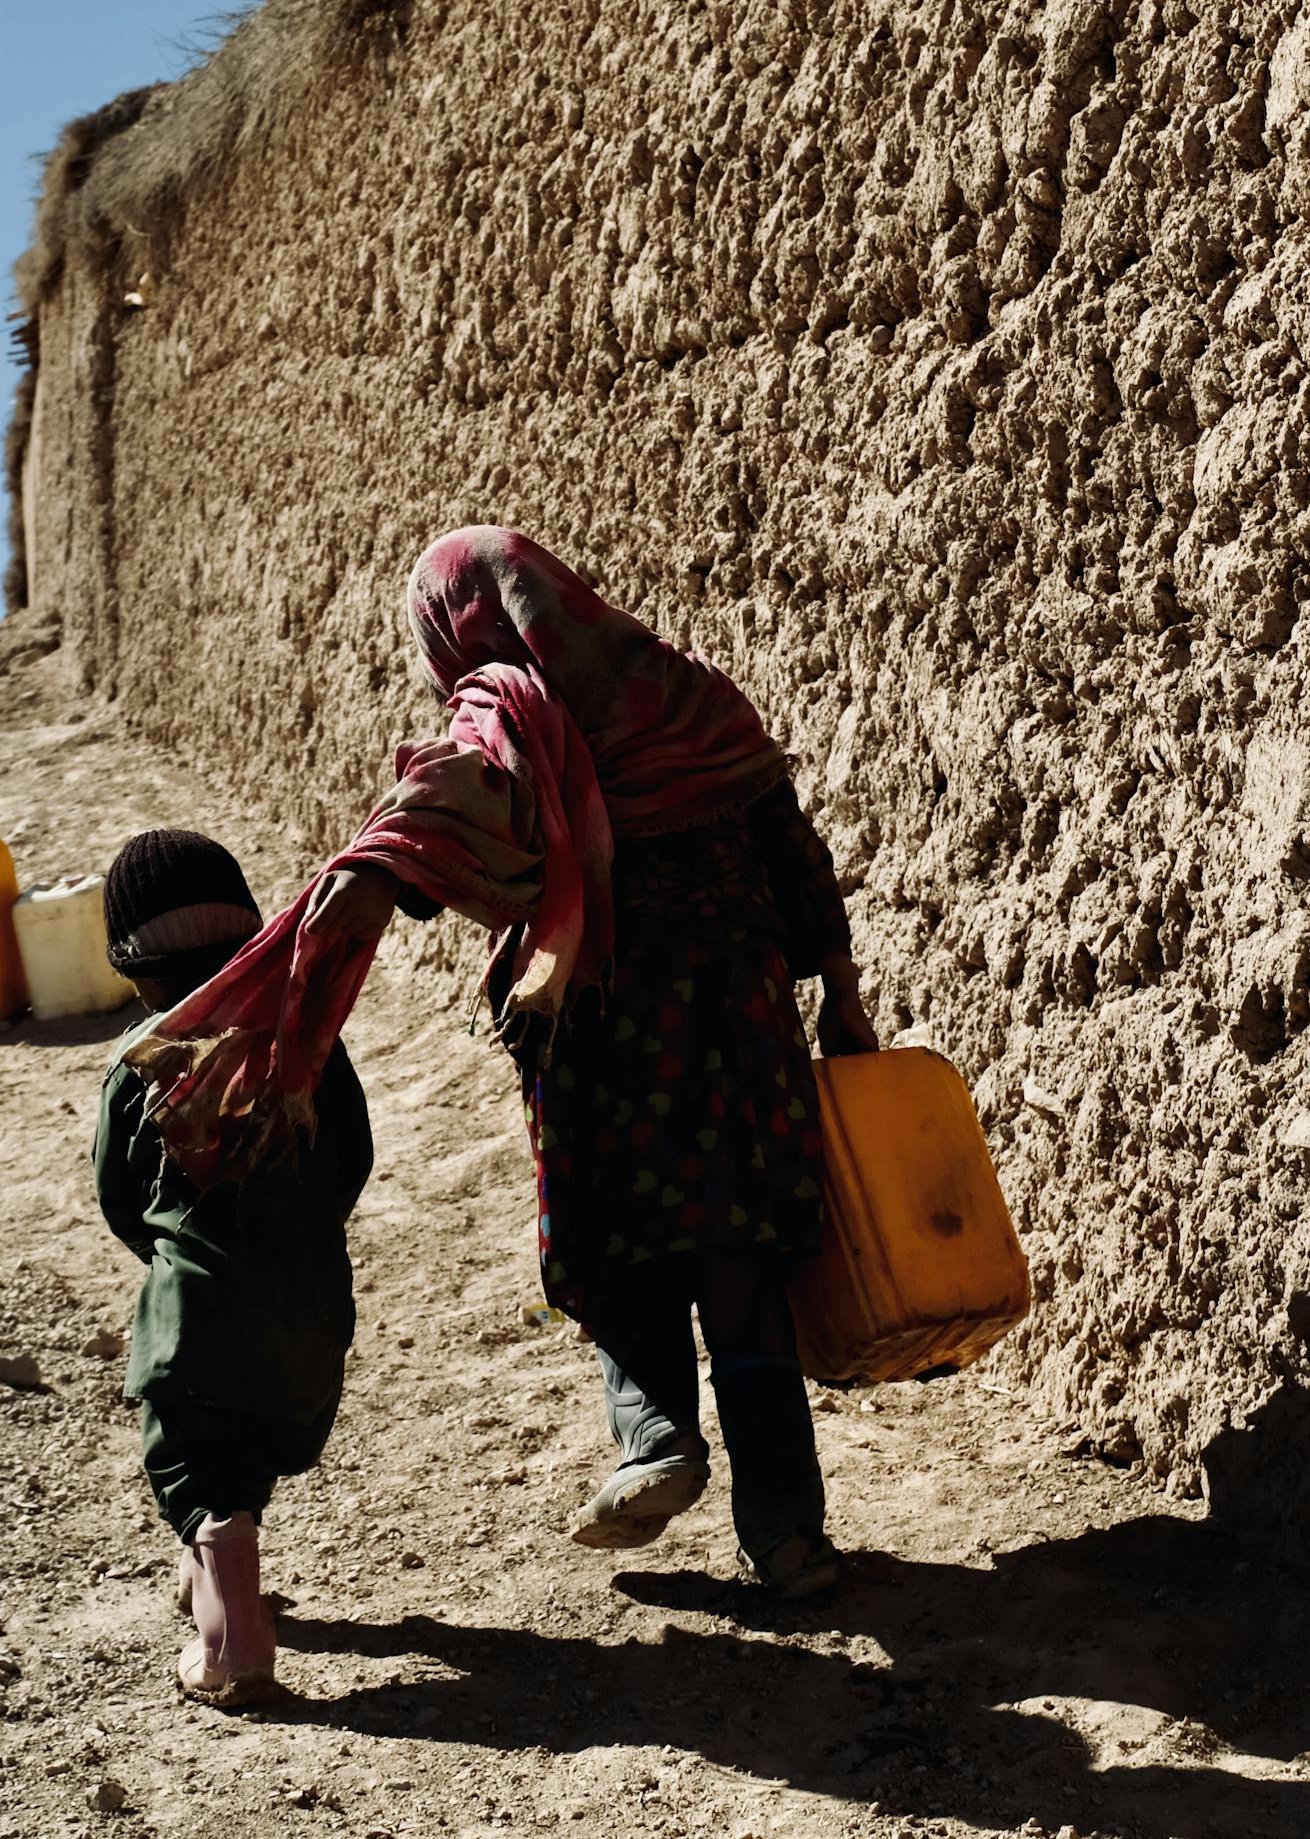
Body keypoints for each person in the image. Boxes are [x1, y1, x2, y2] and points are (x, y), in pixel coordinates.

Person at [136, 526, 871, 1599]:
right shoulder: (692, 701)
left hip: (602, 1051)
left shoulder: (505, 723)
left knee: (617, 1254)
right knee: (742, 1262)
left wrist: (329, 921)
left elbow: (429, 828)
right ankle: (790, 1539)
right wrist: (843, 999)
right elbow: (796, 856)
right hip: (741, 1040)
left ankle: (656, 1439)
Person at [89, 827, 373, 1706]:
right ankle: (210, 1574)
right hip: (311, 1313)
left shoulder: (145, 1062)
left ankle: (232, 1647)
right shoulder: (307, 1048)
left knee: (195, 1464)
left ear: (133, 967)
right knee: (245, 1452)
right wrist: (299, 1235)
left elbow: (118, 1194)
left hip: (198, 1316)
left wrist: (176, 1253)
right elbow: (352, 1156)